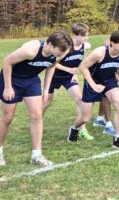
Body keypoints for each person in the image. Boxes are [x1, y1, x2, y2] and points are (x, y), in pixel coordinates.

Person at [0, 31, 72, 167]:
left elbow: (51, 66)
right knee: (8, 117)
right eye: (61, 52)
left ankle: (36, 155)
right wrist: (8, 87)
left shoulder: (57, 54)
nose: (62, 55)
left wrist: (46, 89)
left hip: (31, 81)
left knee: (37, 115)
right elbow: (7, 62)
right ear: (49, 44)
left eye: (64, 53)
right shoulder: (30, 50)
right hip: (12, 79)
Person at [80, 30, 119, 150]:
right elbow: (83, 67)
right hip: (93, 81)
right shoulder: (99, 53)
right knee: (85, 117)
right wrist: (92, 85)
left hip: (109, 81)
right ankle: (76, 128)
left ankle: (117, 139)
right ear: (112, 43)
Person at [49, 23, 93, 142]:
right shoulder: (67, 48)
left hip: (69, 78)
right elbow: (52, 62)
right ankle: (38, 123)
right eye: (83, 36)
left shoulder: (86, 46)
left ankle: (82, 130)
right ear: (74, 35)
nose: (86, 38)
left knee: (79, 99)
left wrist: (72, 73)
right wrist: (68, 69)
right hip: (54, 77)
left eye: (87, 35)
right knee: (46, 102)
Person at [93, 22, 119, 136]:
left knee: (110, 98)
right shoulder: (108, 44)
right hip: (100, 77)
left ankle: (100, 118)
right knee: (105, 98)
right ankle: (108, 124)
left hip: (110, 75)